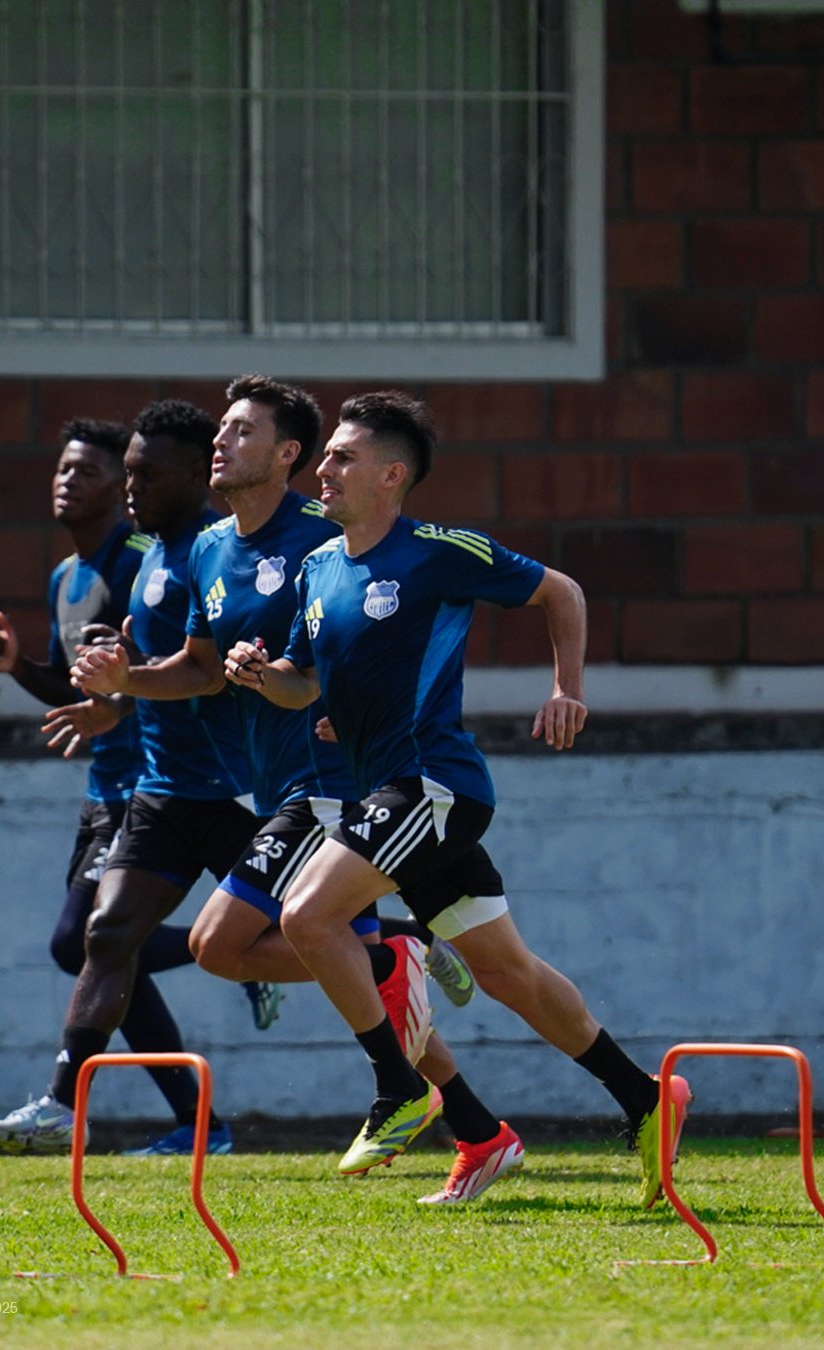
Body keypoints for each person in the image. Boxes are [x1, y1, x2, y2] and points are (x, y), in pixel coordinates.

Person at [224, 390, 691, 1207]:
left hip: (434, 784)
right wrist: (263, 675)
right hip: (393, 795)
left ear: (391, 475)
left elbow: (561, 591)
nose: (323, 469)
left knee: (307, 914)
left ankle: (399, 1087)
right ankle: (646, 1096)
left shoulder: (436, 551)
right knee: (507, 972)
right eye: (326, 456)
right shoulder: (317, 568)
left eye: (342, 457)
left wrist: (567, 689)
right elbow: (303, 686)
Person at [68, 376, 523, 1200]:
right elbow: (201, 671)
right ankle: (476, 1125)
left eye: (239, 431)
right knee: (334, 973)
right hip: (274, 786)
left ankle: (398, 982)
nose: (221, 441)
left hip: (336, 786)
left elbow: (387, 628)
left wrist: (350, 708)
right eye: (221, 429)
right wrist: (125, 680)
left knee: (221, 945)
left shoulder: (327, 532)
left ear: (287, 456)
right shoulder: (209, 547)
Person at [0, 403, 273, 1158]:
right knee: (101, 940)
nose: (69, 482)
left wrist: (121, 697)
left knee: (98, 940)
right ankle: (119, 1112)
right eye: (63, 468)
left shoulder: (171, 552)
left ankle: (383, 951)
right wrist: (28, 671)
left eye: (95, 471)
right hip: (138, 787)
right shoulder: (79, 573)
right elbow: (93, 681)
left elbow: (190, 671)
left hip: (200, 782)